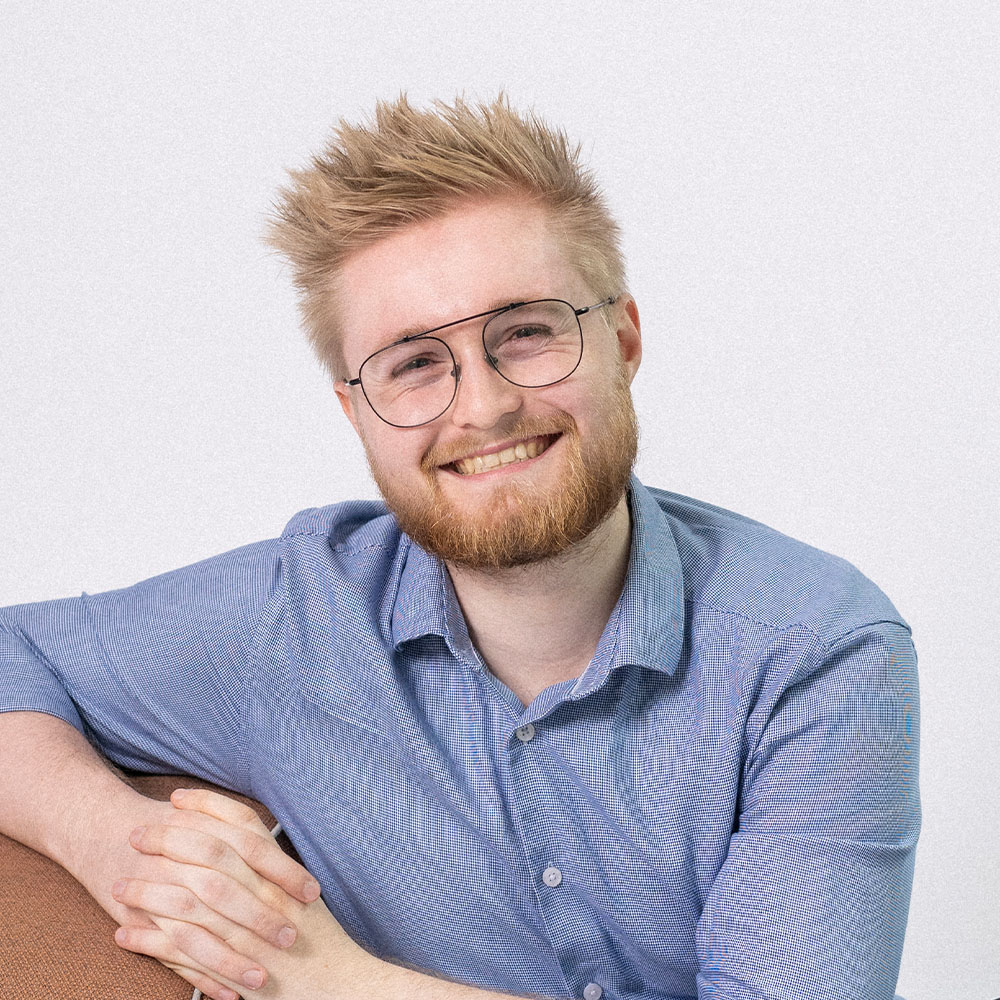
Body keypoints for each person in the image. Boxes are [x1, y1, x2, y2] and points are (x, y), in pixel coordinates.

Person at [0, 94, 919, 1000]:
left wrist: (325, 979)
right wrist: (116, 843)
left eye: (525, 332)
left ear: (624, 339)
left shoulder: (817, 648)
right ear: (356, 412)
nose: (482, 407)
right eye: (413, 363)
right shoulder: (292, 617)